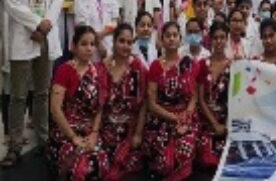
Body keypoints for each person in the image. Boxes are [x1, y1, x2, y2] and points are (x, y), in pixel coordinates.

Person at [1, 0, 65, 167]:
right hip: (24, 35)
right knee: (17, 95)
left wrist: (46, 23)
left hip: (46, 36)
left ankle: (43, 139)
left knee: (41, 93)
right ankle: (15, 146)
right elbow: (10, 2)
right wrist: (37, 24)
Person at [46, 25, 109, 179]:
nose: (89, 48)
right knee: (79, 169)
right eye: (84, 44)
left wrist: (94, 133)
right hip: (65, 131)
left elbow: (100, 107)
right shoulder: (64, 70)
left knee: (101, 164)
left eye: (92, 44)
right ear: (73, 46)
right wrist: (73, 137)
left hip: (88, 131)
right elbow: (55, 108)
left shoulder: (97, 71)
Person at [144, 22, 198, 180]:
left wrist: (187, 114)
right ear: (161, 40)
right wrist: (174, 118)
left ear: (180, 39)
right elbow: (151, 104)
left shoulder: (188, 63)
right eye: (168, 35)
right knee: (164, 161)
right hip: (161, 118)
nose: (171, 39)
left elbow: (194, 95)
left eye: (175, 35)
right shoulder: (155, 66)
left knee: (183, 147)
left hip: (186, 117)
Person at [99, 24, 148, 181]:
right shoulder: (102, 67)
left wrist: (138, 134)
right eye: (121, 41)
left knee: (126, 163)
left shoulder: (138, 67)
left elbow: (144, 104)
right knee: (96, 164)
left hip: (129, 130)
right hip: (105, 129)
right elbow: (97, 106)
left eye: (129, 42)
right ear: (113, 42)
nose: (125, 46)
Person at [196, 22, 231, 169]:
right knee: (204, 155)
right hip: (205, 117)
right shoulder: (203, 64)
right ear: (210, 39)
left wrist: (225, 124)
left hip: (225, 119)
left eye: (222, 37)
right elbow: (200, 98)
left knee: (226, 155)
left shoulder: (233, 65)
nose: (219, 41)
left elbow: (236, 99)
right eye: (215, 37)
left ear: (227, 39)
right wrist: (213, 123)